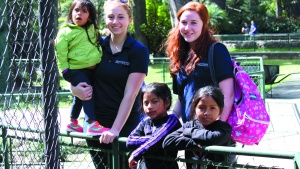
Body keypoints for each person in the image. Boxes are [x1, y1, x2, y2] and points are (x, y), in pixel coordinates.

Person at [70, 0, 149, 168]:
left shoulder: (138, 51)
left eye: (121, 17)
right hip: (95, 125)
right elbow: (80, 75)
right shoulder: (96, 45)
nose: (115, 22)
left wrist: (115, 129)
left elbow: (131, 94)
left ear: (130, 20)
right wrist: (74, 89)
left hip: (124, 126)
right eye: (110, 17)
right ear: (104, 19)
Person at [165, 1, 234, 124]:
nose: (187, 28)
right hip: (189, 130)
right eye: (184, 22)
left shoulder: (216, 50)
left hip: (211, 131)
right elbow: (182, 97)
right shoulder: (179, 53)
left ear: (204, 24)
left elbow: (228, 96)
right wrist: (171, 120)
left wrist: (217, 129)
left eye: (194, 23)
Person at [55, 0, 110, 135]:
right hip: (74, 70)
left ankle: (73, 123)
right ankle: (92, 124)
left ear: (89, 16)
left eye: (84, 11)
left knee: (79, 96)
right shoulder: (66, 32)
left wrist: (106, 32)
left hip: (88, 70)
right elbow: (60, 53)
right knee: (86, 93)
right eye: (77, 10)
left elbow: (98, 35)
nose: (79, 13)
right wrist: (65, 70)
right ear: (71, 12)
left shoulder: (91, 28)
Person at [163, 86, 232, 169]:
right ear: (194, 108)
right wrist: (192, 143)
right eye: (202, 108)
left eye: (212, 108)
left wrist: (189, 132)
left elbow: (212, 138)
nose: (207, 113)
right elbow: (167, 142)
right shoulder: (189, 125)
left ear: (220, 110)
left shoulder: (224, 128)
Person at [126, 82, 182, 169]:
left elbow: (158, 138)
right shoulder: (145, 122)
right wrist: (157, 140)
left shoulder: (172, 121)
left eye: (154, 102)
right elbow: (130, 141)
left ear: (167, 103)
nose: (149, 106)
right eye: (146, 103)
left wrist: (136, 153)